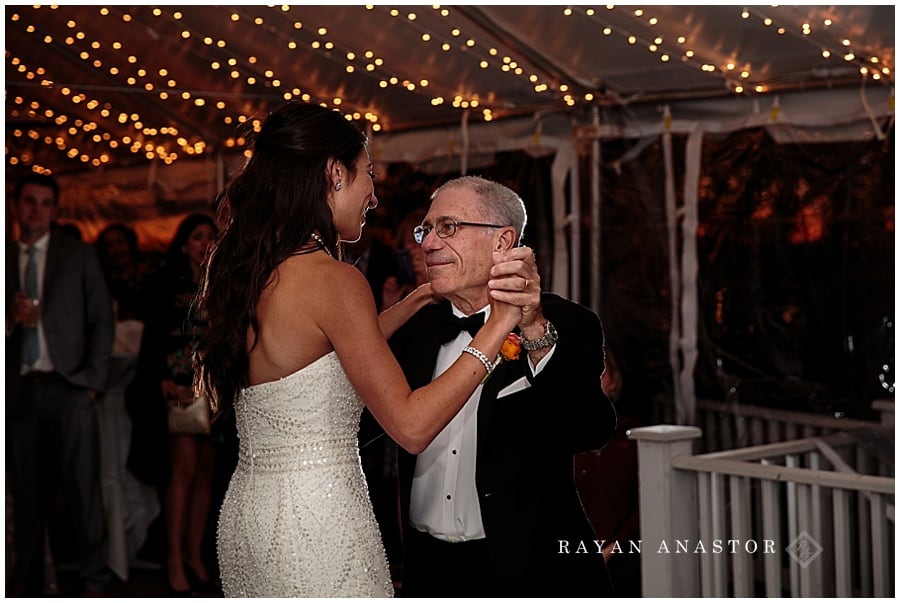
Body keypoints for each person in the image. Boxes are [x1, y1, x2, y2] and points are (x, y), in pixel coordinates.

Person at [193, 101, 528, 597]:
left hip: (250, 514)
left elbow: (323, 352)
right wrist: (498, 326)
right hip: (318, 521)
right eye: (368, 173)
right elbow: (412, 428)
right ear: (334, 172)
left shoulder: (251, 268)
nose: (374, 195)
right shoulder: (337, 280)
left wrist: (417, 298)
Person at [387, 175, 617, 597]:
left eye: (449, 227)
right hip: (426, 571)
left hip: (529, 570)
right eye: (427, 229)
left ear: (502, 241)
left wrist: (534, 331)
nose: (429, 243)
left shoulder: (566, 323)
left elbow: (589, 430)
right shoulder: (414, 331)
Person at [5, 173, 114, 595]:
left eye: (44, 202)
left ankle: (95, 584)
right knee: (27, 496)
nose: (35, 209)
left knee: (83, 491)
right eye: (29, 201)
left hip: (71, 386)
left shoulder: (77, 254)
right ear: (16, 206)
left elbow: (101, 318)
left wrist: (93, 383)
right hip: (19, 391)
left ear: (55, 210)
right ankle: (27, 589)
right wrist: (10, 320)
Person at [125, 213, 219, 595]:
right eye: (197, 237)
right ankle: (173, 558)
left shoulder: (223, 282)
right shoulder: (168, 282)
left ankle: (195, 554)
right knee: (183, 471)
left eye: (210, 237)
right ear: (184, 243)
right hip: (179, 385)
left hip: (214, 389)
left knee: (206, 474)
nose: (205, 244)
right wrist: (161, 380)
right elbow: (153, 338)